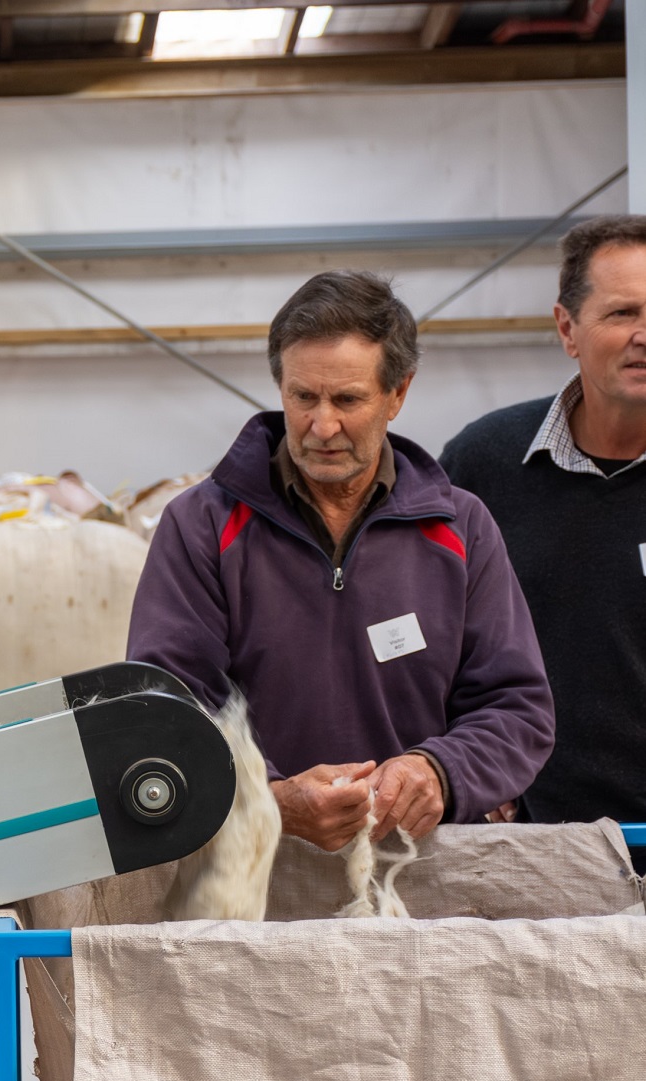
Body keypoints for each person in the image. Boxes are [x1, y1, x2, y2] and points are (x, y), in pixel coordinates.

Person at [127, 270, 555, 851]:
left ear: (397, 394)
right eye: (303, 397)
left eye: (347, 400)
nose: (321, 425)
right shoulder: (202, 526)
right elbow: (168, 708)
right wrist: (270, 799)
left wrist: (438, 772)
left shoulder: (460, 529)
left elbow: (515, 707)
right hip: (254, 873)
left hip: (423, 873)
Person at [440, 215, 646, 860]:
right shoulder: (483, 465)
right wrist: (464, 768)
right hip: (523, 843)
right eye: (622, 313)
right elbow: (430, 634)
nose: (644, 335)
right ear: (567, 329)